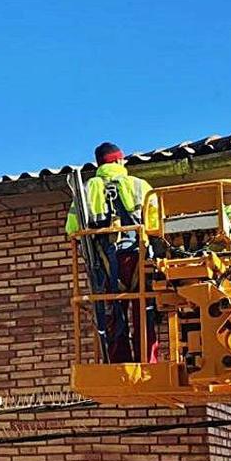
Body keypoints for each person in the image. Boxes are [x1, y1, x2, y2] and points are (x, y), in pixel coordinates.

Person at [66, 142, 159, 363]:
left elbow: (72, 229)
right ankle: (148, 361)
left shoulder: (87, 189)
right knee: (143, 311)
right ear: (118, 160)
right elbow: (156, 224)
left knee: (113, 313)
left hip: (105, 261)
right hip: (138, 257)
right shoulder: (140, 186)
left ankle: (119, 363)